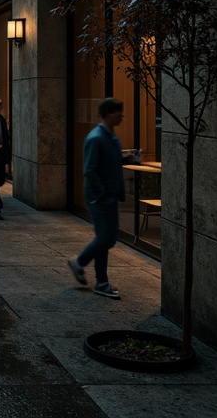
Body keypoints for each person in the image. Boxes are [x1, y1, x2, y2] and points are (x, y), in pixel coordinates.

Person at [68, 97, 126, 299]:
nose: (122, 115)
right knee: (104, 238)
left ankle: (93, 273)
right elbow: (89, 170)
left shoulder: (111, 137)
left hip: (108, 196)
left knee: (108, 239)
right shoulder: (96, 138)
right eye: (119, 112)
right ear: (109, 114)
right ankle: (90, 271)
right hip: (99, 198)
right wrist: (102, 193)